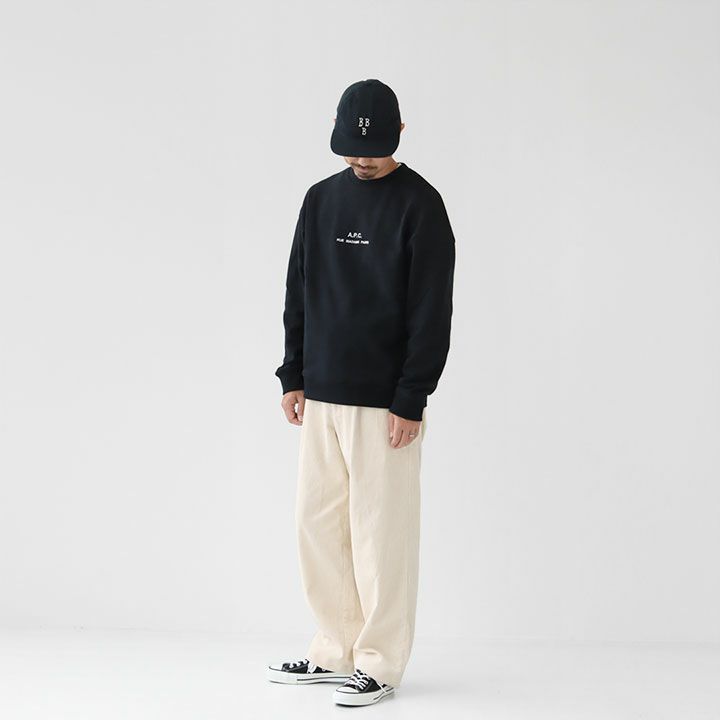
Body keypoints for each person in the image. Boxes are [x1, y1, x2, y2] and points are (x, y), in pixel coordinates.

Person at [267, 78, 456, 707]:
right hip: (321, 393)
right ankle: (335, 650)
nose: (361, 159)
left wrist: (412, 396)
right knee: (318, 526)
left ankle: (379, 663)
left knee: (381, 535)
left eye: (372, 149)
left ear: (399, 133)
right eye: (351, 147)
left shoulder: (421, 206)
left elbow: (432, 311)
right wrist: (293, 372)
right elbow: (299, 287)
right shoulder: (320, 200)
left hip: (385, 404)